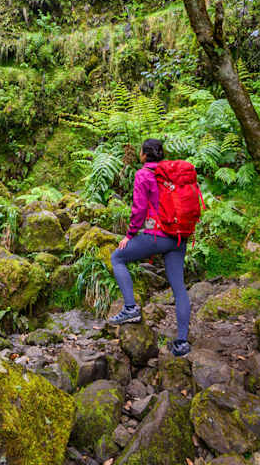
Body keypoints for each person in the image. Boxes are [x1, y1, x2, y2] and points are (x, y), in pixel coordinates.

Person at [107, 138, 191, 357]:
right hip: (179, 236)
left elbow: (139, 209)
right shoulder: (173, 173)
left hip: (157, 235)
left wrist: (129, 235)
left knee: (118, 258)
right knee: (179, 287)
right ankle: (182, 343)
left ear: (144, 154)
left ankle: (130, 309)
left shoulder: (143, 174)